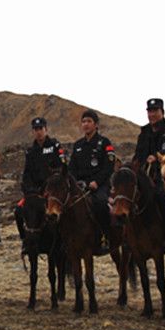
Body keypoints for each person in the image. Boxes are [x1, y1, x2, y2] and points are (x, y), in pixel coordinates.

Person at [131, 97, 165, 252]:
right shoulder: (144, 133)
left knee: (161, 196)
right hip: (147, 176)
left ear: (162, 112)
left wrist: (158, 156)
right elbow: (138, 154)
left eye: (155, 111)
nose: (152, 114)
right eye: (150, 111)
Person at [68, 109, 115, 255]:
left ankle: (106, 236)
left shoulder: (104, 143)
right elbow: (71, 168)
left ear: (96, 124)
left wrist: (97, 182)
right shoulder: (78, 145)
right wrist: (75, 182)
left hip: (99, 185)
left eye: (89, 121)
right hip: (80, 185)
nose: (86, 124)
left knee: (100, 203)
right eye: (83, 121)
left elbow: (109, 167)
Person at [15, 117, 64, 246]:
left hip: (52, 191)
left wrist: (50, 187)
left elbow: (61, 168)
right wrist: (29, 190)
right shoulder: (30, 151)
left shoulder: (54, 146)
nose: (38, 132)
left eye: (40, 129)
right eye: (35, 129)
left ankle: (63, 241)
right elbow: (27, 174)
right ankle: (25, 240)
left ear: (46, 129)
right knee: (18, 210)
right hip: (35, 192)